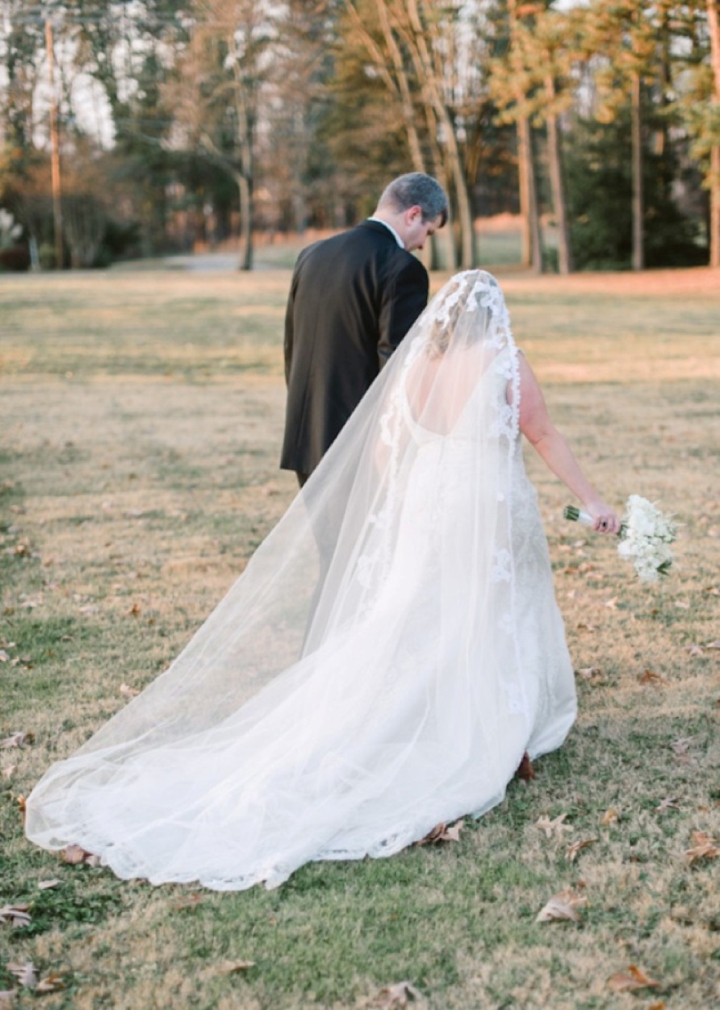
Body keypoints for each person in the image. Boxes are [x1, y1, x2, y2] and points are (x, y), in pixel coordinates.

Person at [25, 270, 619, 892]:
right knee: (482, 606)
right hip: (480, 502)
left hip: (424, 503)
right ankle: (481, 714)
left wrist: (396, 514)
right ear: (493, 315)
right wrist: (592, 499)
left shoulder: (415, 364)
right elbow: (543, 433)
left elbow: (388, 452)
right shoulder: (505, 361)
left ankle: (411, 702)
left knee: (413, 609)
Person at [281, 172, 449, 486]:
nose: (424, 245)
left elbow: (291, 347)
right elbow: (398, 365)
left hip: (305, 436)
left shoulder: (312, 255)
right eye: (429, 231)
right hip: (360, 444)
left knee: (330, 538)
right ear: (413, 214)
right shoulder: (402, 268)